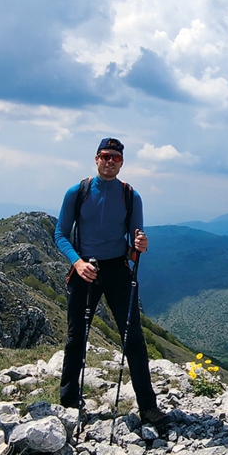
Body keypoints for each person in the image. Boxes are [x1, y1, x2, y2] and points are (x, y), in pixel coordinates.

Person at [54, 137, 169, 425]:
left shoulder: (131, 196)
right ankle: (68, 401)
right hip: (85, 269)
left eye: (115, 158)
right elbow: (60, 234)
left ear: (121, 162)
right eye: (105, 156)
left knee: (134, 340)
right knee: (75, 337)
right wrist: (77, 263)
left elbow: (135, 240)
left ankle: (148, 407)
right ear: (96, 159)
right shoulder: (77, 192)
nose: (110, 162)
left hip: (118, 269)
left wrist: (140, 245)